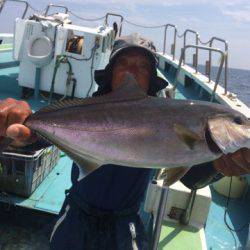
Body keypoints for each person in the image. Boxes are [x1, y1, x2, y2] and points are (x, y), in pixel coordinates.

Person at [0, 34, 249, 250]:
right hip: (75, 213)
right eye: (124, 62)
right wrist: (20, 130)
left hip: (124, 222)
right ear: (110, 71)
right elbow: (37, 140)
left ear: (151, 79)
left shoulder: (165, 115)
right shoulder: (86, 109)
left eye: (142, 66)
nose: (132, 70)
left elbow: (190, 176)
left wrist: (217, 167)